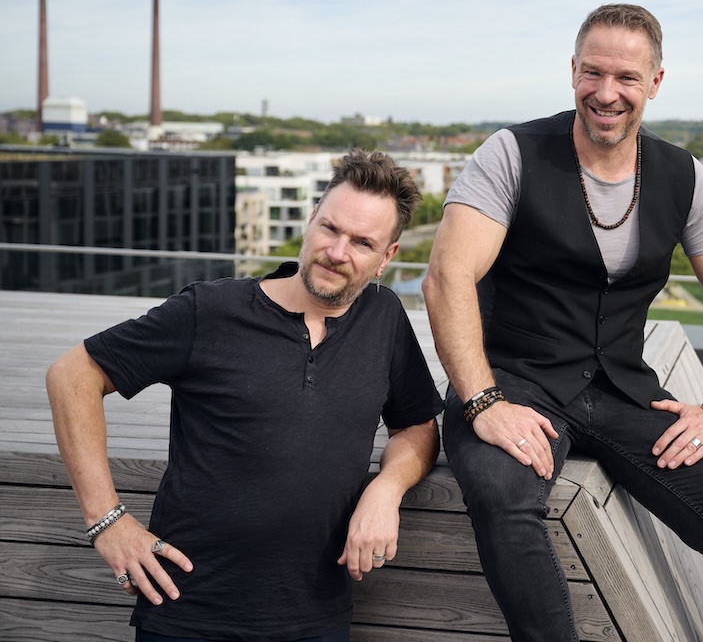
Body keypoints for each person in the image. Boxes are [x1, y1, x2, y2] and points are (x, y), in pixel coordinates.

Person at [422, 3, 703, 641]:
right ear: (572, 70)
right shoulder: (512, 153)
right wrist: (482, 401)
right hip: (515, 381)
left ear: (655, 82)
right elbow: (446, 277)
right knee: (505, 501)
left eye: (626, 77)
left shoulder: (683, 174)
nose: (606, 93)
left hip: (624, 388)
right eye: (592, 73)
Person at [46, 149, 444, 642]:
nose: (337, 252)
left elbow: (418, 424)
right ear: (309, 221)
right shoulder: (210, 310)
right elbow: (72, 375)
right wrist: (107, 521)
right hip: (188, 611)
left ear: (387, 257)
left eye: (362, 242)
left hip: (316, 617)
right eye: (329, 229)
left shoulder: (384, 319)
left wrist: (387, 489)